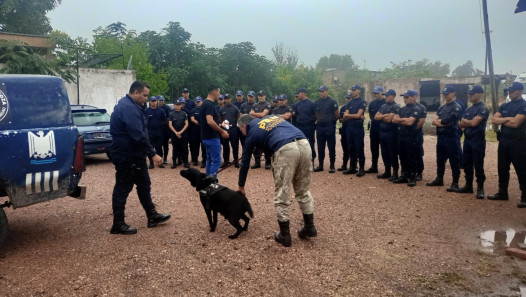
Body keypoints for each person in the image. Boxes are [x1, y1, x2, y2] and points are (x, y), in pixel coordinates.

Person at [237, 114, 316, 247]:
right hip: (304, 144)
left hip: (285, 149)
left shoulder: (250, 134)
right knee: (303, 190)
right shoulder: (271, 117)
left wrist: (241, 186)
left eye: (241, 130)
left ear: (244, 126)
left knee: (282, 193)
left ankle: (285, 235)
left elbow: (244, 163)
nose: (243, 133)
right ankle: (309, 227)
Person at [109, 81, 171, 235]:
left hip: (136, 155)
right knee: (123, 188)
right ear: (135, 92)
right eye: (144, 95)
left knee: (144, 185)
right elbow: (137, 136)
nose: (146, 98)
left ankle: (152, 216)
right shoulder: (128, 108)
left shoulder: (131, 106)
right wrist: (153, 154)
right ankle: (118, 224)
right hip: (126, 156)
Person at [488, 82, 526, 207]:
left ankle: (524, 197)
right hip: (504, 141)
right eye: (509, 91)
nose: (509, 93)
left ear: (520, 91)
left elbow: (516, 124)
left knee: (522, 169)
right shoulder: (504, 105)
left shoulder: (523, 105)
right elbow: (494, 120)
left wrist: (503, 120)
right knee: (502, 168)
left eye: (512, 91)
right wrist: (509, 119)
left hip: (519, 142)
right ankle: (502, 193)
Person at [455, 85, 489, 199]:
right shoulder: (468, 109)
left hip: (478, 140)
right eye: (469, 94)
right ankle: (468, 186)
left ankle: (480, 188)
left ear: (480, 94)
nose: (470, 96)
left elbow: (475, 123)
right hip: (468, 140)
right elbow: (461, 124)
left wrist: (467, 122)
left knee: (478, 164)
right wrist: (468, 123)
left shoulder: (483, 108)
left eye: (472, 94)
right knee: (466, 163)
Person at [427, 85, 462, 191]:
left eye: (448, 94)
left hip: (452, 137)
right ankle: (439, 179)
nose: (446, 96)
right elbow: (434, 121)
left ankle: (455, 182)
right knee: (440, 160)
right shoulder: (442, 107)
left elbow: (447, 121)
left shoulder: (456, 107)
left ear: (453, 93)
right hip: (441, 137)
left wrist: (439, 122)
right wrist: (440, 122)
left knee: (454, 161)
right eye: (444, 94)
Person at [391, 90, 423, 187]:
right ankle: (404, 175)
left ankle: (412, 177)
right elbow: (393, 120)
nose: (405, 99)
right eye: (404, 97)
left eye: (407, 97)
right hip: (401, 135)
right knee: (402, 156)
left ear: (413, 97)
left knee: (411, 157)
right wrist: (404, 119)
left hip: (411, 136)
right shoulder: (402, 109)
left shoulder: (416, 109)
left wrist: (399, 120)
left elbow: (410, 123)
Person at [199, 85, 229, 179]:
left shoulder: (204, 104)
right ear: (214, 92)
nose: (219, 94)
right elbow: (210, 121)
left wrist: (220, 125)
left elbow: (208, 122)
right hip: (212, 137)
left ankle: (207, 181)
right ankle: (212, 183)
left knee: (209, 160)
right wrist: (222, 131)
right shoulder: (209, 104)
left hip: (206, 137)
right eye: (219, 92)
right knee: (216, 161)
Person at [374, 89, 400, 180]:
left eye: (388, 96)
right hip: (382, 132)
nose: (386, 97)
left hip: (391, 133)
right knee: (384, 153)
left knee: (392, 153)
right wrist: (385, 115)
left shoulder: (395, 106)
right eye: (385, 95)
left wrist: (382, 116)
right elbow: (375, 117)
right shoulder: (383, 106)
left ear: (392, 96)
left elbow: (390, 120)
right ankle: (387, 171)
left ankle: (395, 173)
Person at [313, 85, 339, 173]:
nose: (320, 93)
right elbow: (316, 114)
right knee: (320, 147)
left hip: (329, 127)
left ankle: (332, 165)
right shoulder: (317, 102)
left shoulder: (332, 101)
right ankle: (320, 165)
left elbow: (337, 115)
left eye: (322, 91)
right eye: (319, 91)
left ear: (327, 91)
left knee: (331, 146)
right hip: (320, 127)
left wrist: (331, 121)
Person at [342, 85, 366, 177]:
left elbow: (358, 115)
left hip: (358, 128)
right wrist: (353, 115)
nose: (353, 92)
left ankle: (361, 168)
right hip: (349, 127)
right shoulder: (350, 102)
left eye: (354, 90)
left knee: (359, 148)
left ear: (359, 91)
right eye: (352, 90)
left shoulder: (362, 101)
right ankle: (352, 167)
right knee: (350, 148)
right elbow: (345, 115)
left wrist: (349, 115)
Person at [292, 88, 316, 164]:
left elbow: (316, 115)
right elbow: (295, 115)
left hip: (309, 126)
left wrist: (310, 122)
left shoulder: (312, 103)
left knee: (310, 143)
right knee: (300, 143)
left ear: (303, 93)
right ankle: (301, 161)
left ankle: (311, 160)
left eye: (298, 93)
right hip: (299, 127)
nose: (297, 95)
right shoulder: (297, 104)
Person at [365, 86, 386, 174]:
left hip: (383, 128)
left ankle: (387, 169)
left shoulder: (386, 102)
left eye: (378, 93)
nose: (376, 95)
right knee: (373, 148)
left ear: (382, 93)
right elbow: (371, 115)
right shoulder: (372, 103)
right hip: (374, 128)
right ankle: (374, 166)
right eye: (375, 93)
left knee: (385, 149)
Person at [249, 90, 272, 169]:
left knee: (266, 145)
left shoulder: (268, 104)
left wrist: (255, 114)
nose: (260, 97)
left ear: (265, 96)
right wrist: (259, 115)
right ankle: (257, 162)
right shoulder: (255, 104)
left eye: (262, 95)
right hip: (256, 127)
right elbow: (251, 114)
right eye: (259, 95)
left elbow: (263, 114)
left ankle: (268, 163)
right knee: (255, 145)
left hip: (265, 127)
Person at [219, 94, 241, 167]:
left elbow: (238, 118)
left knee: (235, 146)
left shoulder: (235, 108)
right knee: (225, 146)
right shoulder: (222, 109)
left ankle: (236, 161)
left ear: (231, 99)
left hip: (233, 129)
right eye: (225, 98)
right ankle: (226, 161)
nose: (227, 100)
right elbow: (220, 119)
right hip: (225, 130)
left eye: (228, 98)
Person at [145, 96, 166, 169]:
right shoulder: (146, 111)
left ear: (156, 101)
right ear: (150, 102)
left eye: (155, 101)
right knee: (151, 147)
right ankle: (151, 163)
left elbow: (164, 120)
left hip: (159, 131)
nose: (153, 102)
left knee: (159, 147)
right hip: (150, 132)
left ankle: (160, 163)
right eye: (152, 101)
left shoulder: (161, 111)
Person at [169, 98, 190, 169]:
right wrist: (176, 132)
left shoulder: (184, 114)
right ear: (174, 105)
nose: (178, 106)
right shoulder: (171, 114)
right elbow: (170, 124)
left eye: (179, 105)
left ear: (180, 105)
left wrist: (180, 132)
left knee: (184, 148)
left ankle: (186, 162)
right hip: (174, 134)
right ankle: (174, 163)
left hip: (183, 134)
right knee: (175, 148)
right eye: (176, 105)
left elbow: (187, 124)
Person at [190, 97, 206, 168]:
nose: (198, 102)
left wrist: (202, 124)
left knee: (204, 146)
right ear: (195, 102)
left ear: (202, 102)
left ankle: (204, 161)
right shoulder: (193, 110)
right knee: (195, 146)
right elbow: (192, 118)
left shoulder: (204, 109)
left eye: (199, 101)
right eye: (197, 102)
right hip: (195, 130)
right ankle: (195, 160)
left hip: (203, 130)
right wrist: (199, 123)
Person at [338, 94, 352, 171]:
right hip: (344, 129)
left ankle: (354, 165)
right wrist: (346, 118)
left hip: (352, 129)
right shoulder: (343, 108)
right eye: (346, 98)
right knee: (345, 147)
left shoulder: (355, 107)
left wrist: (347, 117)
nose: (347, 99)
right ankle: (344, 165)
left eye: (349, 98)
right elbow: (340, 120)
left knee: (352, 148)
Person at [415, 97, 427, 181]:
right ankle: (410, 171)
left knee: (418, 153)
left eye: (408, 97)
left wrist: (410, 127)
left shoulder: (421, 107)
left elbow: (420, 122)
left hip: (417, 134)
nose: (406, 99)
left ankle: (419, 172)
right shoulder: (405, 108)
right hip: (406, 134)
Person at [157, 95, 172, 165]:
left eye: (162, 100)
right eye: (160, 100)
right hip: (158, 130)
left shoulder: (166, 108)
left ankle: (165, 158)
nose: (161, 101)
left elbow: (170, 117)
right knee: (158, 145)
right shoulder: (155, 108)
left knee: (165, 145)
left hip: (165, 130)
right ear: (157, 100)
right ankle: (160, 158)